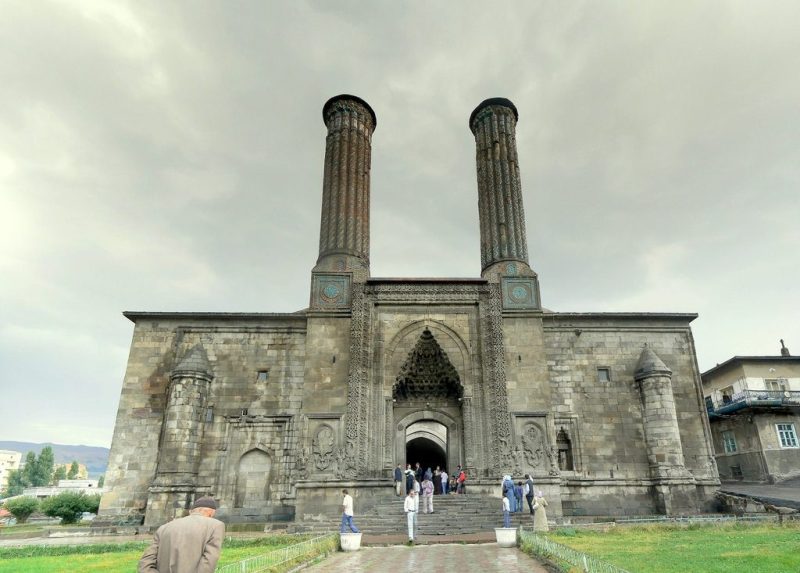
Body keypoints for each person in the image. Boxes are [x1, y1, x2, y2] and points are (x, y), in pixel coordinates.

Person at [138, 496, 225, 573]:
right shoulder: (215, 525)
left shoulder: (164, 528)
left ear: (191, 511)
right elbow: (209, 561)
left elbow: (145, 563)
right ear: (211, 513)